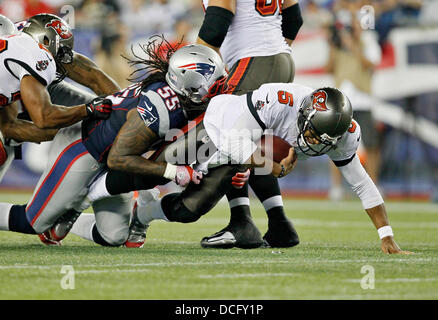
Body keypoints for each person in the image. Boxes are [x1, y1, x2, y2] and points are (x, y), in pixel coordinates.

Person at [99, 83, 411, 255]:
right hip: (217, 129)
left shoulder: (344, 135)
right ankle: (90, 191)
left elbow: (362, 183)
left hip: (249, 148)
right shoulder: (279, 100)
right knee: (152, 168)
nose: (315, 143)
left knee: (189, 209)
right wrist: (272, 167)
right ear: (303, 113)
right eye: (313, 133)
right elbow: (236, 142)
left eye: (324, 140)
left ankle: (142, 215)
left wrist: (386, 235)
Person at [0, 41, 229, 247]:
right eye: (216, 82)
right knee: (31, 222)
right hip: (84, 147)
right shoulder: (161, 109)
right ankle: (65, 209)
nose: (222, 86)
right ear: (191, 84)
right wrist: (173, 171)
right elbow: (118, 159)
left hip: (110, 153)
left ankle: (69, 210)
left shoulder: (175, 96)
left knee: (113, 236)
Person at [0, 13, 114, 181]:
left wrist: (59, 130)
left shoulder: (24, 46)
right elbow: (20, 124)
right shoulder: (26, 48)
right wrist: (87, 111)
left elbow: (92, 75)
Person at [325, 5, 382, 200]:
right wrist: (333, 45)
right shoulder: (340, 43)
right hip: (342, 100)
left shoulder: (368, 41)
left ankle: (374, 183)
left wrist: (353, 45)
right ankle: (336, 188)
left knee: (372, 144)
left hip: (363, 99)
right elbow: (330, 67)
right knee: (333, 143)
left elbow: (371, 64)